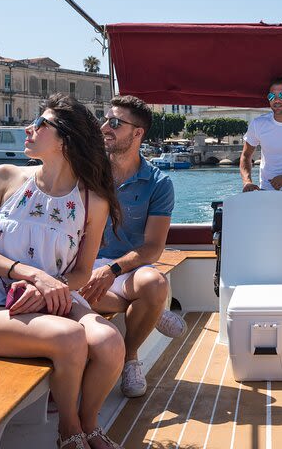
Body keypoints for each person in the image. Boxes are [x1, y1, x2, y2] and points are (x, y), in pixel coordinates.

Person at [0, 94, 126, 449]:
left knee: (109, 342)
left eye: (41, 123)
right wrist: (32, 276)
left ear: (65, 139)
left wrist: (53, 286)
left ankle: (91, 423)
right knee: (69, 337)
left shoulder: (92, 200)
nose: (29, 129)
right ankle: (69, 427)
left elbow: (81, 272)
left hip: (55, 299)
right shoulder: (7, 177)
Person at [80, 95, 186, 399]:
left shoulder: (158, 182)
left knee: (154, 284)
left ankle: (130, 358)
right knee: (81, 289)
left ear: (137, 133)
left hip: (128, 268)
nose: (104, 127)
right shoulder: (88, 173)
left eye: (115, 123)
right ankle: (150, 313)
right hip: (85, 265)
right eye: (105, 119)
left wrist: (113, 270)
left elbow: (153, 247)